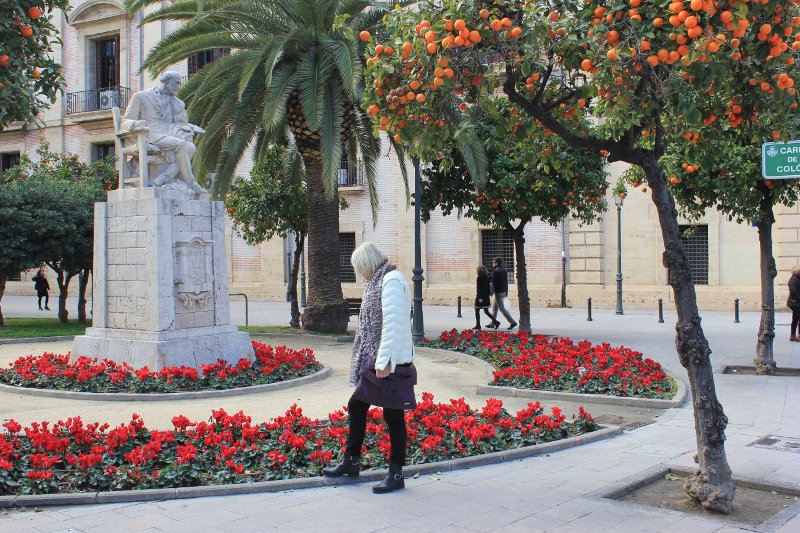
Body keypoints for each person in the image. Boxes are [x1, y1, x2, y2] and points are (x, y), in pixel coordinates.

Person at [323, 242, 416, 494]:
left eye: (359, 268)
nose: (359, 274)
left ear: (367, 264)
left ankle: (396, 474)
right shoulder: (377, 281)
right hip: (377, 359)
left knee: (393, 416)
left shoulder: (391, 281)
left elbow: (394, 324)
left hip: (390, 362)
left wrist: (384, 361)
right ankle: (351, 462)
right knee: (357, 405)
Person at [120, 71, 206, 193]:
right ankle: (192, 183)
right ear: (166, 81)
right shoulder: (141, 97)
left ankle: (163, 179)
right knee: (181, 145)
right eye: (176, 83)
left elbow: (181, 123)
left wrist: (189, 128)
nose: (178, 87)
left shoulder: (177, 103)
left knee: (191, 148)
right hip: (149, 133)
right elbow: (124, 122)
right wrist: (136, 124)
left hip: (168, 134)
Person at [490, 257, 517, 330]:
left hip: (498, 292)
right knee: (495, 308)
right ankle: (492, 323)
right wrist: (506, 292)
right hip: (503, 291)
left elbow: (494, 283)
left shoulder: (496, 271)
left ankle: (512, 322)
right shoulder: (504, 270)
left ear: (497, 263)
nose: (492, 263)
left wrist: (491, 292)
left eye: (493, 262)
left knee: (501, 308)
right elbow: (506, 282)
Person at [473, 265, 497, 330]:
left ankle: (478, 325)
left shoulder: (479, 279)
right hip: (486, 297)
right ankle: (496, 322)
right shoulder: (487, 278)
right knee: (486, 311)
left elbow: (479, 289)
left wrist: (480, 298)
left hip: (480, 297)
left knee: (477, 311)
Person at [788, 265, 800, 341]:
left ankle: (793, 335)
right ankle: (798, 336)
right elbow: (793, 292)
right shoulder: (794, 279)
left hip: (795, 302)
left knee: (795, 318)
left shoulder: (796, 278)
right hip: (794, 302)